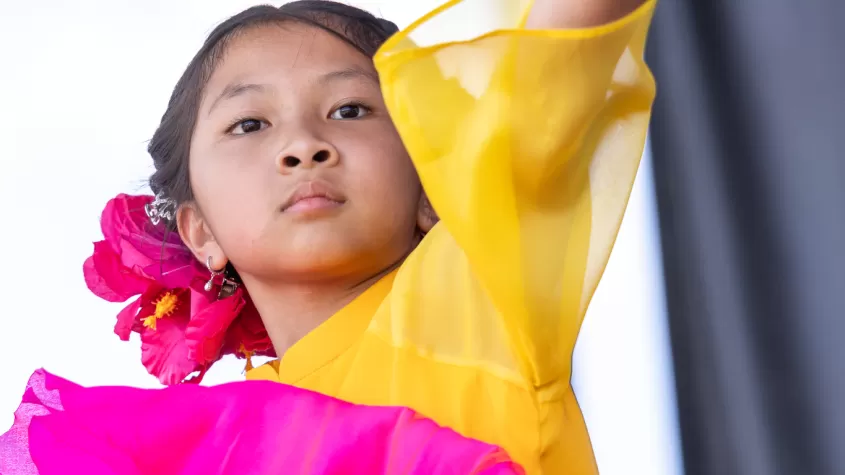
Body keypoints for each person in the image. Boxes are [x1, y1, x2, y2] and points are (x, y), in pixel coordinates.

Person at [1, 0, 656, 473]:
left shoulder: (479, 290)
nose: (303, 145)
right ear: (200, 232)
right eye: (250, 124)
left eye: (350, 110)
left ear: (430, 189)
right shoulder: (197, 446)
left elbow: (550, 62)